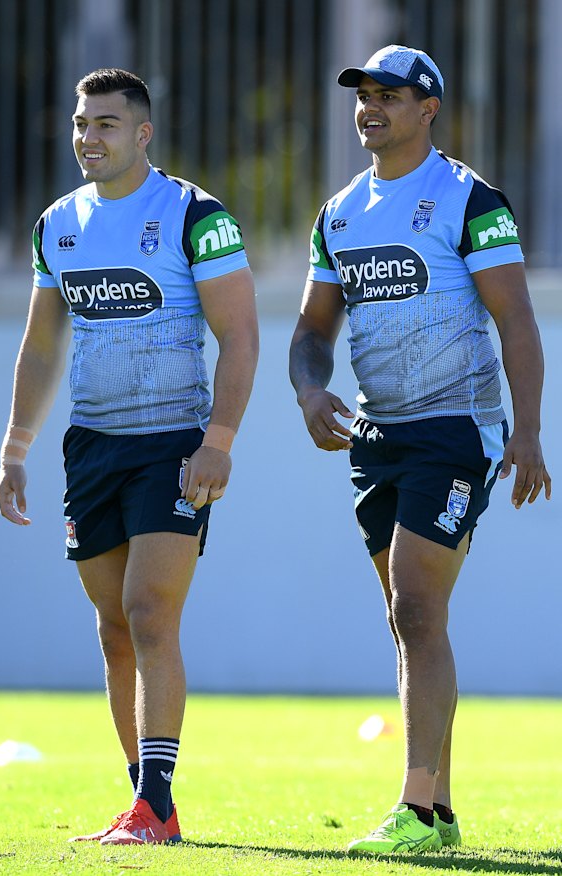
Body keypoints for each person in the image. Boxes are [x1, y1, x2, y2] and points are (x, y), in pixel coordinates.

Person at [289, 45, 550, 855]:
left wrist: (528, 430)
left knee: (415, 607)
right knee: (410, 622)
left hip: (456, 428)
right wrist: (309, 390)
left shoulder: (469, 199)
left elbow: (516, 320)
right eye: (363, 95)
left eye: (390, 95)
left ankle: (414, 807)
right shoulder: (338, 213)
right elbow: (312, 329)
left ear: (428, 108)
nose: (370, 107)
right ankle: (439, 811)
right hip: (377, 436)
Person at [0, 68, 259, 846]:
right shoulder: (57, 224)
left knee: (149, 611)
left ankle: (154, 805)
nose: (89, 137)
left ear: (143, 133)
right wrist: (15, 447)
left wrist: (218, 441)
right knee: (113, 628)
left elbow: (240, 336)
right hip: (92, 448)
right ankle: (149, 807)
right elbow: (42, 345)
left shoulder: (194, 215)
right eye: (81, 123)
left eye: (106, 124)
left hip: (172, 444)